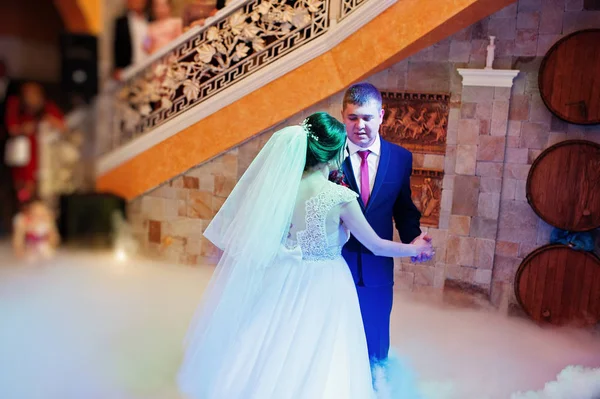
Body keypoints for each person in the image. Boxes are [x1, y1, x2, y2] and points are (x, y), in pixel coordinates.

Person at [177, 112, 432, 398]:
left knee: (275, 345)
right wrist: (415, 248)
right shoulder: (339, 197)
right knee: (321, 351)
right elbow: (376, 245)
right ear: (334, 152)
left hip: (285, 274)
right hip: (326, 282)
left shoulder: (283, 190)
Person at [339, 82, 433, 364]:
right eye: (352, 118)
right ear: (343, 116)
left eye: (367, 117)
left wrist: (414, 240)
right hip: (333, 266)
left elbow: (403, 209)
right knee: (334, 342)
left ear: (381, 115)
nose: (360, 126)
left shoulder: (401, 158)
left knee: (376, 344)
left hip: (378, 270)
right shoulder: (329, 157)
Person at [4, 82, 65, 203]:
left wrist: (46, 120)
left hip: (44, 156)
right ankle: (24, 202)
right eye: (27, 94)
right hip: (23, 155)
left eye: (34, 95)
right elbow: (12, 128)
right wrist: (23, 128)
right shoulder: (15, 104)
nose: (31, 98)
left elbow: (63, 126)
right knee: (23, 185)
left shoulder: (47, 107)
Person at [12, 197, 60, 262]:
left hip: (45, 250)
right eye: (36, 214)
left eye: (42, 214)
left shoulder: (48, 221)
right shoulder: (24, 222)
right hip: (30, 251)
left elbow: (55, 239)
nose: (39, 217)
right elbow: (18, 240)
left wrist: (51, 243)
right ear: (30, 213)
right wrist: (20, 251)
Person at [113, 0, 149, 79]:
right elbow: (117, 46)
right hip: (129, 68)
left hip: (148, 66)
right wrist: (117, 67)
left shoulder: (149, 21)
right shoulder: (121, 22)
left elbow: (148, 41)